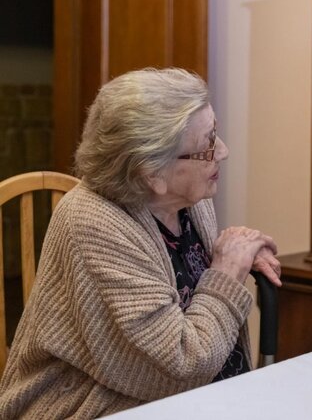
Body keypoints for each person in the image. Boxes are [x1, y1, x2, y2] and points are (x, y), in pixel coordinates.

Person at [0, 68, 282, 417]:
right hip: (88, 406)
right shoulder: (93, 222)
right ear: (152, 173)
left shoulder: (189, 199)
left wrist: (238, 252)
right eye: (207, 144)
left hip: (194, 399)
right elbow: (180, 365)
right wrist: (226, 270)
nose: (222, 152)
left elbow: (193, 294)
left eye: (216, 134)